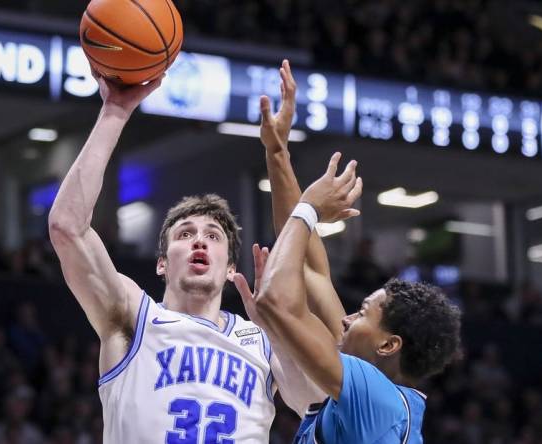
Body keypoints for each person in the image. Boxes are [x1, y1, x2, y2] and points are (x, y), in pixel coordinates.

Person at [48, 71, 317, 443]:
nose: (200, 243)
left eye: (213, 236)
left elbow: (312, 406)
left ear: (230, 269)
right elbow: (67, 228)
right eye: (185, 234)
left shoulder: (259, 339)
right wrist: (114, 112)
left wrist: (277, 330)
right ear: (161, 263)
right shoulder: (133, 317)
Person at [237, 64, 462, 443]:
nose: (345, 319)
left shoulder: (374, 397)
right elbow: (310, 269)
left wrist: (310, 208)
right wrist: (277, 153)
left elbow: (275, 298)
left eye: (362, 314)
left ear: (388, 345)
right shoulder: (375, 396)